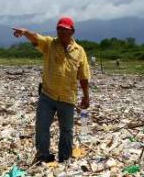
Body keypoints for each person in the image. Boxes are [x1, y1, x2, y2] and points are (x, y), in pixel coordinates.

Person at [12, 16, 91, 163]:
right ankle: (43, 155)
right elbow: (36, 38)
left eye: (65, 30)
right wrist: (25, 32)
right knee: (42, 126)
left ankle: (65, 157)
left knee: (66, 130)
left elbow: (84, 76)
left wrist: (86, 96)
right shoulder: (50, 44)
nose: (61, 32)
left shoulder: (79, 51)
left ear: (72, 32)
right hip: (47, 95)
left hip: (68, 97)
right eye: (59, 29)